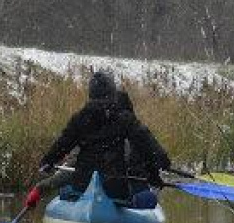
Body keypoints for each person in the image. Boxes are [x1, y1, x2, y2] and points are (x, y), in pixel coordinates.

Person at [23, 72, 170, 210]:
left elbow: (63, 144)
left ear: (91, 94)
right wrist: (163, 164)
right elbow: (148, 144)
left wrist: (47, 162)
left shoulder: (80, 118)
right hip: (114, 188)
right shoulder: (125, 119)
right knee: (141, 196)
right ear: (112, 94)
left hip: (82, 186)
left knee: (69, 188)